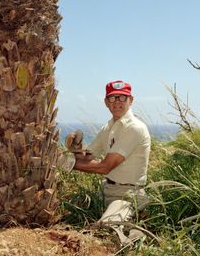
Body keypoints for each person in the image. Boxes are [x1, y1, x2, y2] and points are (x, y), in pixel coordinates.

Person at [65, 80, 151, 244]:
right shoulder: (109, 127)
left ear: (130, 100)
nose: (117, 102)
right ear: (106, 102)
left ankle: (132, 235)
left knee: (107, 229)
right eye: (112, 98)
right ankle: (133, 229)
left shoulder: (134, 128)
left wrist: (68, 164)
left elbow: (105, 167)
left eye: (122, 98)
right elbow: (88, 156)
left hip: (128, 196)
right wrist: (76, 148)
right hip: (108, 192)